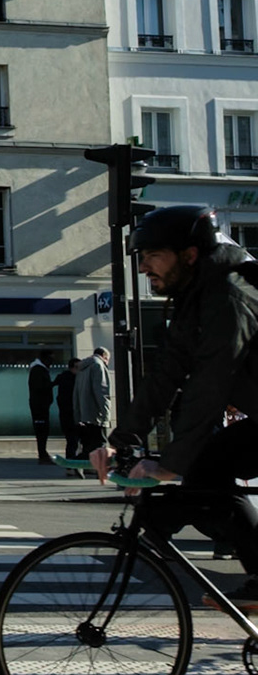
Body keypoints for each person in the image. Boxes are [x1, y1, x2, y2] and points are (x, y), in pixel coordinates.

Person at [91, 206, 258, 608]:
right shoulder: (197, 291)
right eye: (141, 256)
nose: (144, 265)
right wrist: (121, 439)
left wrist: (170, 462)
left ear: (190, 254)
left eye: (153, 254)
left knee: (205, 470)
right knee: (204, 474)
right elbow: (167, 371)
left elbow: (210, 383)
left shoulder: (228, 293)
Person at [72, 347, 113, 465]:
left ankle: (81, 463)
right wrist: (106, 415)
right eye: (108, 360)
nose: (107, 363)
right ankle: (99, 468)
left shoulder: (82, 368)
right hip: (96, 414)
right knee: (100, 444)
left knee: (89, 444)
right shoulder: (98, 366)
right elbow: (102, 392)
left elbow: (76, 392)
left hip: (84, 414)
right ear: (104, 356)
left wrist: (77, 413)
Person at [27, 352, 54, 465]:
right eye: (50, 360)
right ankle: (42, 454)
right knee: (42, 430)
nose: (51, 363)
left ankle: (43, 453)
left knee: (43, 430)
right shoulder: (38, 370)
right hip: (39, 406)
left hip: (41, 405)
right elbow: (40, 388)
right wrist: (53, 383)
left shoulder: (39, 370)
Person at [54, 357, 81, 465]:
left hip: (66, 414)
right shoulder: (73, 380)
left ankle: (70, 464)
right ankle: (72, 464)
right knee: (73, 441)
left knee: (71, 441)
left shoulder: (62, 378)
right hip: (72, 414)